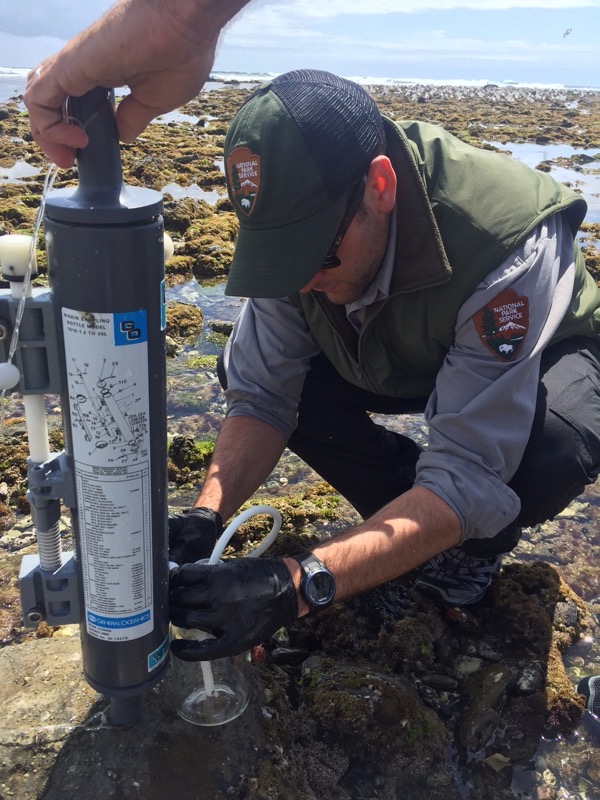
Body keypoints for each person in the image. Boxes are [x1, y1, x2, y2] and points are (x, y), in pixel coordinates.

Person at [25, 4, 600, 664]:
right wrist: (207, 513)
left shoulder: (502, 246)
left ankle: (474, 544)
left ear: (379, 186)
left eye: (316, 257)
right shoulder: (299, 237)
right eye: (282, 261)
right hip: (396, 346)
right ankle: (414, 521)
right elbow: (264, 397)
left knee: (546, 453)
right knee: (252, 373)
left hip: (538, 356)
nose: (300, 283)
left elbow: (470, 471)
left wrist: (301, 584)